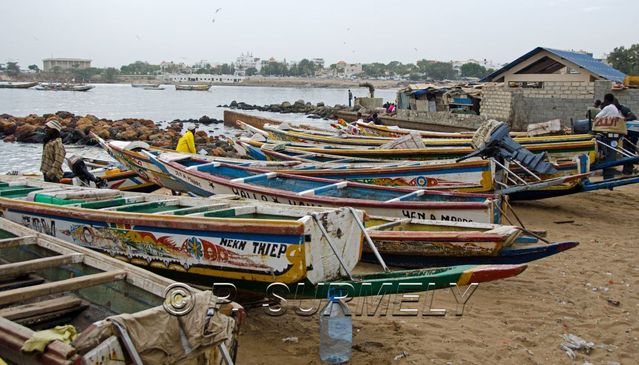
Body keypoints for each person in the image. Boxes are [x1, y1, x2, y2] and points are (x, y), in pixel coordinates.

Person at [593, 94, 626, 179]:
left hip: (607, 132)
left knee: (607, 153)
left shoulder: (608, 108)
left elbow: (597, 117)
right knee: (612, 153)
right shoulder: (614, 108)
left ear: (606, 100)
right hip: (614, 133)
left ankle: (607, 174)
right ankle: (609, 175)